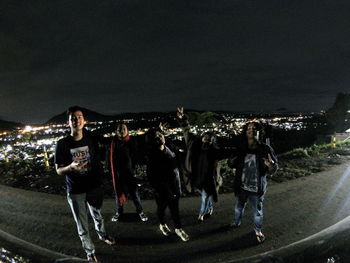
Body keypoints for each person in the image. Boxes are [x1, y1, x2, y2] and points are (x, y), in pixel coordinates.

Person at [54, 106, 115, 262]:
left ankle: (102, 235)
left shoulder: (89, 138)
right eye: (73, 117)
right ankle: (90, 251)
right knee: (82, 224)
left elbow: (106, 143)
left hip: (93, 186)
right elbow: (59, 170)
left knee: (98, 216)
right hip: (75, 190)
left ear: (84, 121)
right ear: (68, 122)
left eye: (79, 117)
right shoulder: (62, 144)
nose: (76, 119)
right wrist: (70, 167)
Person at [176, 106, 234, 222]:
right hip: (196, 179)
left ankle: (201, 215)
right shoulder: (194, 145)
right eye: (205, 137)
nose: (207, 140)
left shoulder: (215, 152)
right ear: (202, 138)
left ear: (212, 142)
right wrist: (183, 119)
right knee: (206, 197)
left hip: (209, 181)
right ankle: (210, 208)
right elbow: (186, 131)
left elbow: (230, 151)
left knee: (204, 198)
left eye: (210, 139)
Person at [228, 121, 278, 243]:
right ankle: (236, 221)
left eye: (254, 128)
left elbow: (273, 168)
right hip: (242, 186)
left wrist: (271, 165)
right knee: (239, 207)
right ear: (245, 132)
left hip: (257, 188)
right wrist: (231, 162)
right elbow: (232, 164)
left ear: (259, 132)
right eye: (249, 128)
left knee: (257, 212)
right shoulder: (241, 148)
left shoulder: (265, 149)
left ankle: (257, 230)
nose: (251, 130)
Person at [146, 127, 189, 242]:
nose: (159, 137)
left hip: (175, 186)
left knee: (175, 209)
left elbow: (177, 167)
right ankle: (162, 224)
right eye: (155, 137)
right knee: (161, 208)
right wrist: (166, 191)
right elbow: (152, 178)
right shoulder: (152, 157)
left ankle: (178, 229)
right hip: (163, 190)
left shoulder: (170, 148)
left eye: (160, 134)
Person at [108, 122, 148, 222]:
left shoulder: (132, 141)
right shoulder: (113, 143)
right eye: (119, 129)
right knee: (118, 195)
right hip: (118, 175)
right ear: (116, 131)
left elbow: (144, 137)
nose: (122, 131)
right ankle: (119, 212)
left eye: (124, 129)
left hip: (130, 174)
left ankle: (140, 212)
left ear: (127, 130)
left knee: (135, 195)